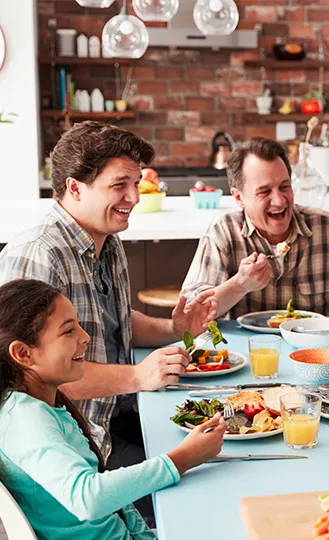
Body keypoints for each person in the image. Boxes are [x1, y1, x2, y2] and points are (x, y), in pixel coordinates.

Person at [0, 121, 217, 467]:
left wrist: (174, 329)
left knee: (223, 438)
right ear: (75, 188)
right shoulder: (40, 253)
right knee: (203, 473)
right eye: (120, 185)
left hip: (117, 412)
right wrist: (138, 375)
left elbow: (110, 321)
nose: (134, 197)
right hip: (77, 445)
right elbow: (34, 375)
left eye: (136, 183)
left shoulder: (106, 240)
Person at [0, 279, 227, 540]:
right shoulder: (27, 420)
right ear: (23, 353)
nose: (84, 338)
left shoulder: (34, 405)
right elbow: (88, 498)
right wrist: (182, 459)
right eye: (68, 331)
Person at [181, 137, 329, 321]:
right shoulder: (224, 231)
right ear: (239, 198)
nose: (279, 200)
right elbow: (192, 311)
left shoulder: (324, 227)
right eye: (264, 191)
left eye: (284, 187)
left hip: (316, 353)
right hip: (247, 354)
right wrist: (239, 284)